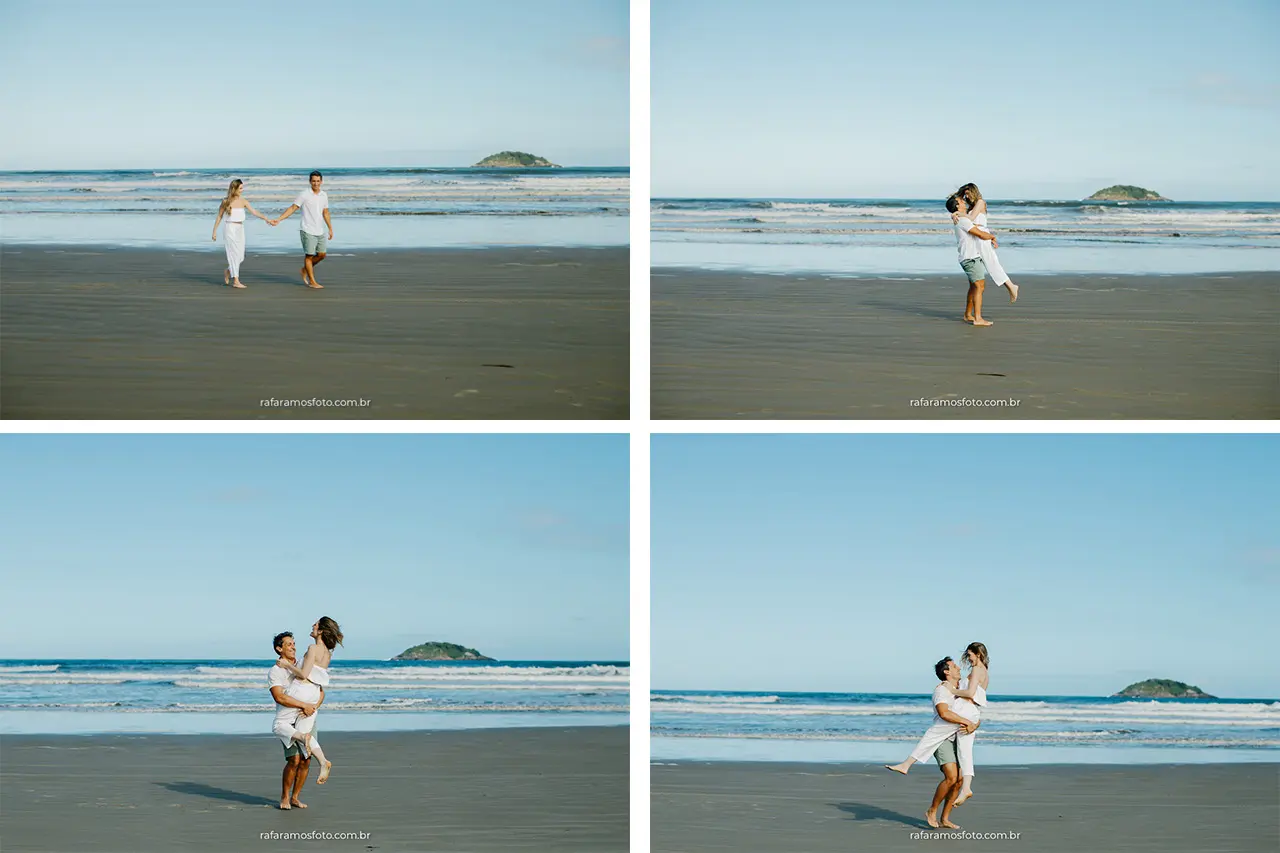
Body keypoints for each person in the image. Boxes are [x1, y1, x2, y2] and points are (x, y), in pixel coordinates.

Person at [884, 657, 980, 796]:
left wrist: (974, 725)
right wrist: (968, 722)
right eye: (954, 666)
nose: (959, 668)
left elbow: (973, 712)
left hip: (957, 735)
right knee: (935, 740)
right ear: (947, 672)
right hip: (945, 734)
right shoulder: (942, 690)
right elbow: (944, 713)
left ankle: (907, 764)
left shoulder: (960, 690)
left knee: (959, 778)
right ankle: (907, 765)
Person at [273, 617, 343, 787]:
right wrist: (314, 706)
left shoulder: (313, 648)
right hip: (314, 694)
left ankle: (313, 751)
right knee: (304, 736)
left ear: (321, 631)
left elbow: (304, 674)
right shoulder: (328, 653)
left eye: (316, 625)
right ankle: (323, 761)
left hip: (302, 691)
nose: (312, 626)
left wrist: (286, 665)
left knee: (278, 725)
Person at [267, 631, 321, 810]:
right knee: (294, 760)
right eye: (289, 644)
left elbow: (319, 689)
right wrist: (303, 705)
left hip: (307, 717)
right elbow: (279, 697)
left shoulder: (302, 666)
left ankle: (295, 797)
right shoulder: (275, 671)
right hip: (287, 720)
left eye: (294, 643)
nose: (293, 647)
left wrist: (313, 707)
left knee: (306, 759)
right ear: (279, 649)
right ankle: (284, 797)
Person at [953, 184, 1019, 304]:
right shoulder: (972, 206)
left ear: (974, 191)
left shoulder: (980, 202)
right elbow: (969, 222)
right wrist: (955, 214)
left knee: (991, 262)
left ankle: (1011, 286)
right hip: (977, 237)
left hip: (981, 236)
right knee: (989, 263)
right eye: (965, 194)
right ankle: (1010, 286)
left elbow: (971, 218)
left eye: (968, 193)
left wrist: (956, 213)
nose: (967, 196)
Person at [269, 171, 333, 289]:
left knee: (322, 255)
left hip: (320, 230)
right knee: (309, 255)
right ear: (310, 181)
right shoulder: (304, 194)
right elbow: (293, 208)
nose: (316, 183)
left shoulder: (324, 195)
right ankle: (312, 282)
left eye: (318, 181)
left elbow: (325, 212)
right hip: (307, 229)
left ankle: (305, 269)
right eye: (313, 181)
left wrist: (330, 228)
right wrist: (279, 219)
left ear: (321, 181)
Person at [945, 194, 999, 326]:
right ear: (957, 206)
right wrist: (992, 237)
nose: (964, 202)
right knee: (979, 286)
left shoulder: (962, 218)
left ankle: (968, 314)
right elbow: (979, 234)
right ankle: (978, 318)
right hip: (970, 258)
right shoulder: (963, 221)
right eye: (961, 201)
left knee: (974, 287)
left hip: (971, 256)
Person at [210, 179, 273, 288]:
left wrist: (266, 219)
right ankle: (236, 281)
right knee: (233, 254)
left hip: (240, 228)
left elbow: (254, 212)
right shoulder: (225, 201)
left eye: (242, 188)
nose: (242, 190)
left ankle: (228, 271)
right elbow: (219, 216)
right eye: (240, 188)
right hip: (229, 228)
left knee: (240, 256)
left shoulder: (243, 201)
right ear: (234, 189)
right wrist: (214, 231)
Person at [949, 642, 990, 805]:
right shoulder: (984, 671)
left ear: (978, 654)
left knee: (964, 751)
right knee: (963, 750)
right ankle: (963, 786)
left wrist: (952, 691)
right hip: (970, 711)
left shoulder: (977, 670)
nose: (968, 658)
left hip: (966, 710)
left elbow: (971, 693)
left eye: (970, 655)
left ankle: (966, 788)